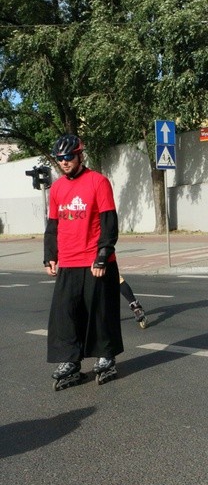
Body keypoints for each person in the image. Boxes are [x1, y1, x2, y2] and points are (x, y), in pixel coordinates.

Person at [45, 134, 124, 390]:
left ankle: (105, 355)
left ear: (80, 155)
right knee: (65, 314)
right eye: (60, 158)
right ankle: (71, 361)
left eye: (68, 157)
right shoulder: (56, 188)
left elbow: (109, 222)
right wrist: (50, 255)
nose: (64, 162)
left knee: (99, 312)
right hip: (68, 261)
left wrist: (103, 255)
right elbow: (53, 225)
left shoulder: (98, 182)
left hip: (94, 260)